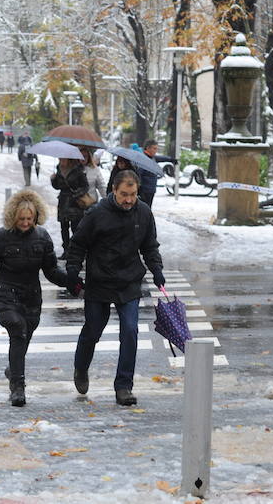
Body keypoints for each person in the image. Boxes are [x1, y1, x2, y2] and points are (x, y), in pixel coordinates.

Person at [0, 190, 72, 407]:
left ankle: (13, 368)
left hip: (31, 296)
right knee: (17, 329)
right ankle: (18, 388)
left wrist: (72, 282)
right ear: (13, 217)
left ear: (36, 217)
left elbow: (51, 271)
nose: (25, 223)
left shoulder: (43, 237)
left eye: (29, 219)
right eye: (21, 219)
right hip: (4, 293)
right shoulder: (1, 237)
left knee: (24, 335)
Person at [67, 170, 164, 406]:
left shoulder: (143, 212)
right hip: (100, 282)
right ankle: (81, 368)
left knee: (130, 331)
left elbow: (150, 246)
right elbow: (78, 244)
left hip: (129, 282)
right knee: (92, 331)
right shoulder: (97, 213)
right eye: (123, 194)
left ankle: (123, 386)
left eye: (132, 194)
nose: (128, 199)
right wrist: (72, 272)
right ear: (113, 190)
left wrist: (157, 269)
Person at [50, 157, 89, 259]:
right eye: (60, 159)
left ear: (69, 159)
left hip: (74, 204)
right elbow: (57, 186)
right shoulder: (58, 169)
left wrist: (76, 194)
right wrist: (53, 180)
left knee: (75, 228)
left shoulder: (78, 170)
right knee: (64, 228)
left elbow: (85, 186)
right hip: (63, 202)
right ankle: (66, 250)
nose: (61, 161)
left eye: (64, 159)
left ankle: (75, 251)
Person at [138, 139, 176, 209]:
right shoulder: (143, 159)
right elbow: (138, 175)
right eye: (154, 148)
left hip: (151, 190)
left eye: (156, 148)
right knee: (144, 210)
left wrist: (171, 159)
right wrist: (140, 190)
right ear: (148, 148)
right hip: (144, 191)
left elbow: (161, 158)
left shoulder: (152, 158)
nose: (156, 151)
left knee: (148, 210)